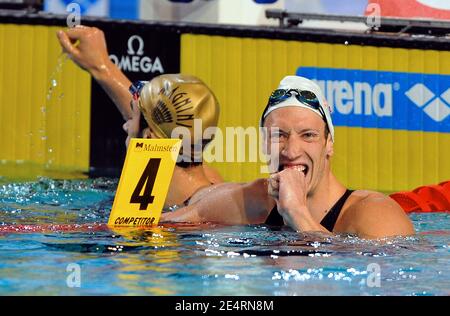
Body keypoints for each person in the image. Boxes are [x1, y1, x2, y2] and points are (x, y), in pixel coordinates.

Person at [161, 76, 415, 239]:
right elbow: (146, 227)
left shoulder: (373, 213)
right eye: (278, 136)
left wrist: (297, 214)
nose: (291, 151)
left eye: (308, 135)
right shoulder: (251, 201)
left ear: (329, 144)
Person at [56, 26, 223, 209]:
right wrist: (101, 66)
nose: (126, 127)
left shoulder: (186, 219)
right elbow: (161, 128)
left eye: (132, 118)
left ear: (149, 138)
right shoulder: (211, 185)